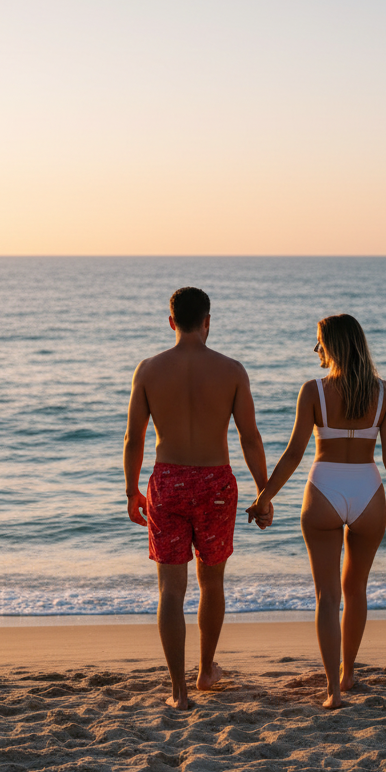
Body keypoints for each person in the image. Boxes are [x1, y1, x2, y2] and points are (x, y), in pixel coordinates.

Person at [247, 314, 386, 709]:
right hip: (369, 491)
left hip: (323, 489)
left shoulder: (313, 392)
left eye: (319, 341)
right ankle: (348, 672)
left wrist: (264, 497)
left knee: (327, 596)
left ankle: (332, 692)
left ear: (333, 346)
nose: (315, 348)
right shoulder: (384, 393)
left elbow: (293, 454)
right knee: (356, 591)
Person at [123, 286, 272, 710]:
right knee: (212, 582)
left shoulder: (149, 370)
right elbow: (250, 438)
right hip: (216, 486)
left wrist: (131, 489)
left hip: (167, 482)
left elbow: (134, 438)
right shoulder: (232, 371)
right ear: (208, 321)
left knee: (171, 592)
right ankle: (206, 670)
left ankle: (178, 692)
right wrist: (264, 492)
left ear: (171, 322)